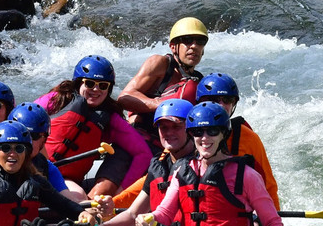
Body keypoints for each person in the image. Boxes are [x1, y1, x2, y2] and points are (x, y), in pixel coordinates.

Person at [128, 102, 285, 226]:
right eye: (198, 132)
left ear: (223, 134)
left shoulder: (247, 176)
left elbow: (273, 223)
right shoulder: (182, 171)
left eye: (212, 132)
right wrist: (149, 218)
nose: (204, 138)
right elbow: (165, 213)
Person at [37, 55, 152, 199]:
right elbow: (21, 119)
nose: (96, 89)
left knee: (80, 200)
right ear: (79, 83)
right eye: (90, 83)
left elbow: (143, 153)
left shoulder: (111, 120)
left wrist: (121, 193)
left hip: (64, 179)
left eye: (103, 85)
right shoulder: (57, 99)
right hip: (34, 165)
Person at [117, 17, 207, 149]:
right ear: (173, 47)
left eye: (200, 41)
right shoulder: (160, 64)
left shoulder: (198, 81)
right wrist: (161, 104)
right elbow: (124, 97)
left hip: (172, 144)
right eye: (187, 40)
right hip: (142, 137)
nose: (194, 46)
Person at [194, 72, 280, 209]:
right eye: (214, 99)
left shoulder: (249, 138)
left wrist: (273, 223)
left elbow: (268, 186)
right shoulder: (189, 133)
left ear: (234, 103)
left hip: (235, 213)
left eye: (227, 100)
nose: (221, 105)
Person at [108, 97, 195, 215]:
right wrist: (107, 208)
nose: (169, 133)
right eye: (164, 127)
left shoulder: (203, 165)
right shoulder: (161, 164)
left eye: (176, 126)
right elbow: (132, 208)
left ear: (191, 129)